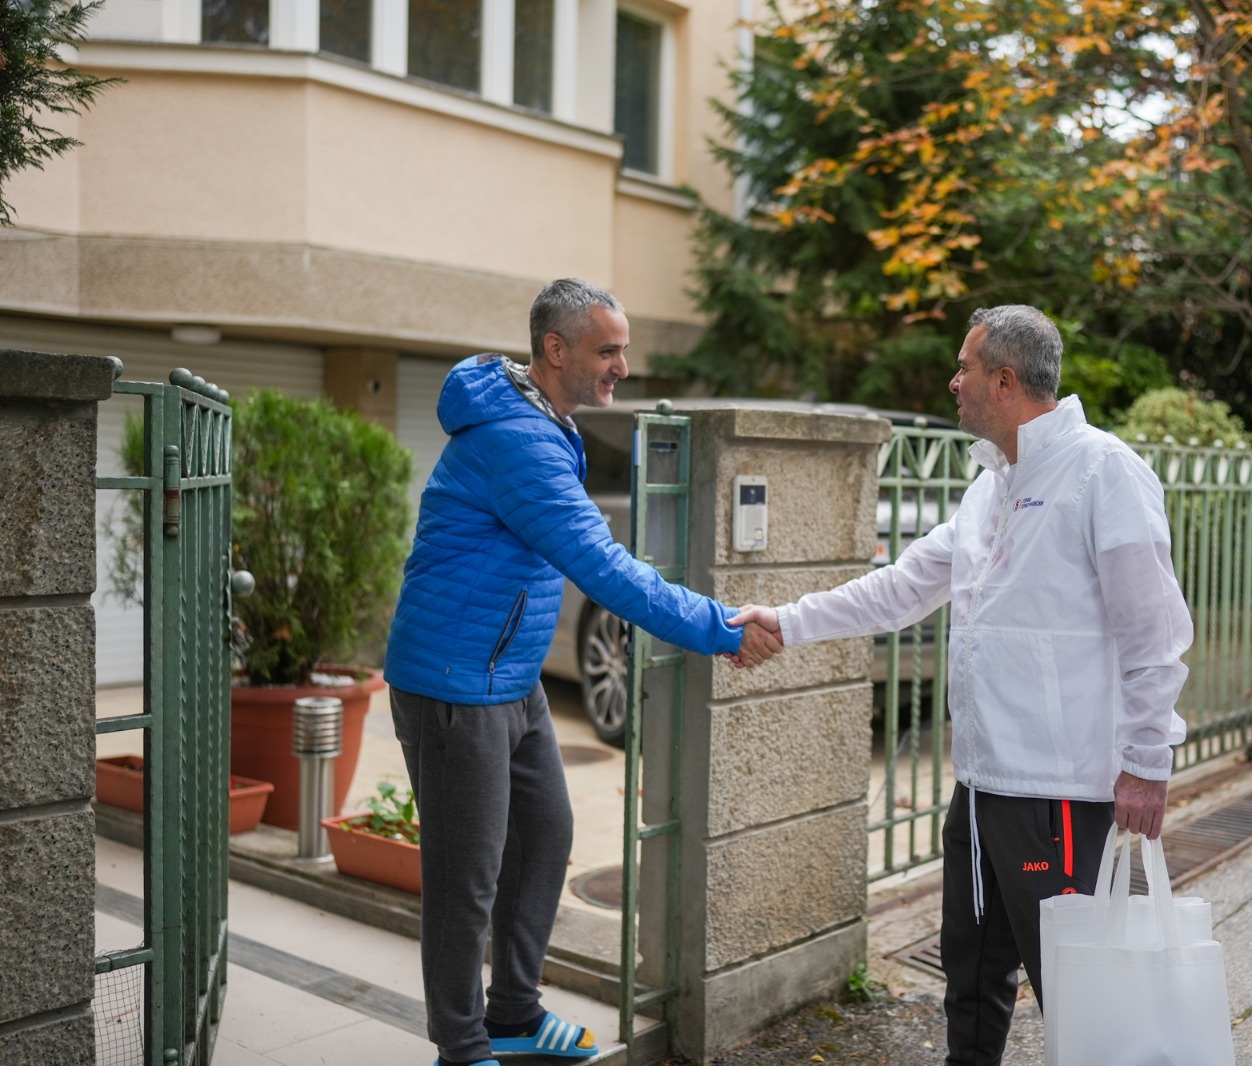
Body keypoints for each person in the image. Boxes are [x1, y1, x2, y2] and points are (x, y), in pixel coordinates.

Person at [732, 305, 1191, 1065]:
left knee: (1075, 989)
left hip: (1057, 794)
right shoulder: (992, 487)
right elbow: (901, 587)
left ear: (1005, 381)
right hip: (980, 787)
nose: (954, 382)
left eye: (964, 367)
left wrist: (1147, 761)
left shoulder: (1102, 471)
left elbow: (1154, 632)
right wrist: (786, 621)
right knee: (971, 972)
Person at [384, 278, 781, 1066]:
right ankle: (461, 1047)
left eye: (623, 350)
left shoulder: (541, 419)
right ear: (555, 349)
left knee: (543, 836)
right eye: (608, 351)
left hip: (509, 674)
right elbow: (602, 567)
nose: (622, 368)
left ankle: (514, 1015)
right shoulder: (517, 440)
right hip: (454, 682)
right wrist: (718, 626)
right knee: (467, 878)